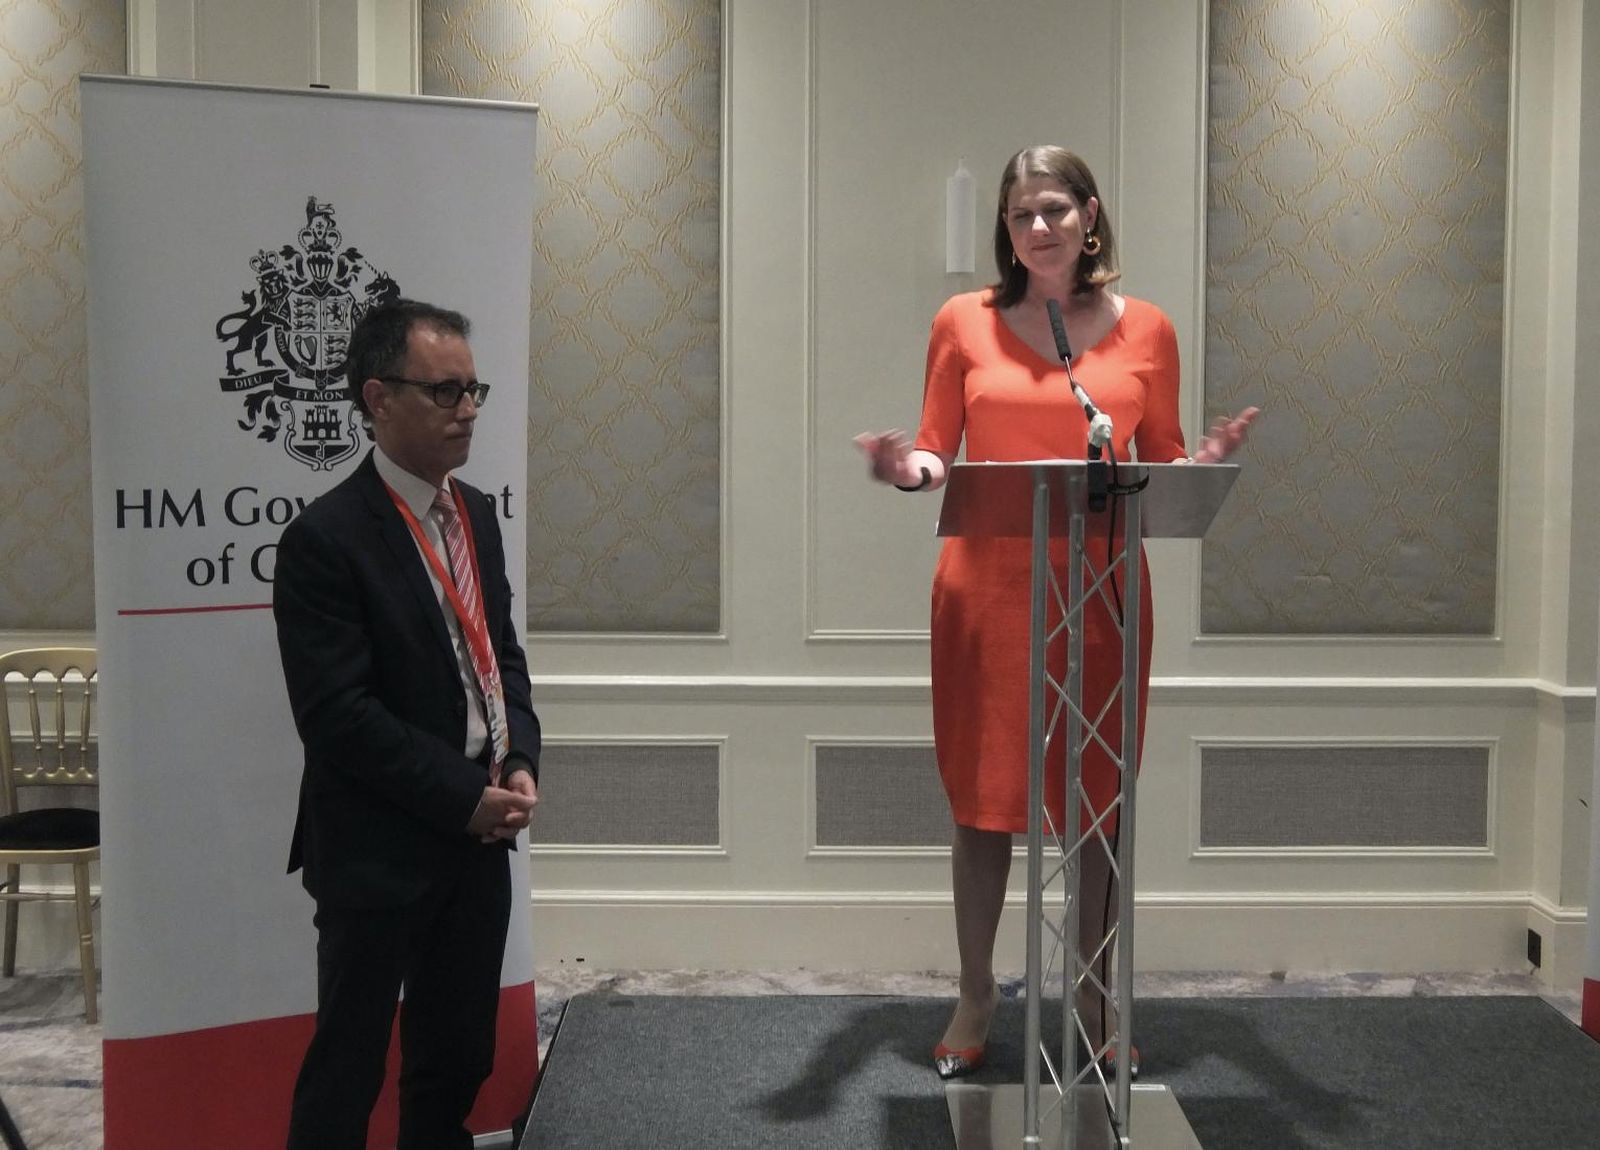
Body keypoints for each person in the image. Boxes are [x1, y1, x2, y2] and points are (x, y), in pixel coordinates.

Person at [856, 146, 1256, 1080]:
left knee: (1098, 807)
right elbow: (935, 450)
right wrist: (905, 471)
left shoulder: (1147, 330)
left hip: (1102, 598)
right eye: (1019, 214)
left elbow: (1154, 462)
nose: (1037, 228)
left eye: (1053, 211)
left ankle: (1090, 987)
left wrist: (1202, 462)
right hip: (986, 595)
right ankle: (976, 990)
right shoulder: (963, 321)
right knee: (983, 806)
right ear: (1006, 229)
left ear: (1089, 217)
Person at [273, 299, 542, 1149]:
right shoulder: (325, 538)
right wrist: (464, 794)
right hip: (376, 844)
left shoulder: (478, 515)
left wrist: (520, 756)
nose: (467, 410)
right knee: (347, 1068)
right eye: (444, 391)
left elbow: (501, 656)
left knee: (454, 1060)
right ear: (378, 398)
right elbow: (337, 717)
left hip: (477, 840)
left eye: (474, 389)